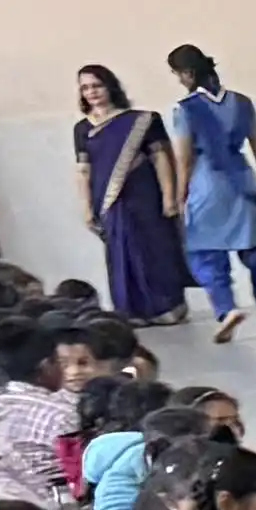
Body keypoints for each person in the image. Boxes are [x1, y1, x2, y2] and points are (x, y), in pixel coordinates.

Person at [165, 44, 256, 338]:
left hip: (208, 184)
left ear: (187, 73)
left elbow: (184, 158)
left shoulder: (185, 108)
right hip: (244, 181)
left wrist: (180, 198)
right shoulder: (242, 102)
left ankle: (226, 308)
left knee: (205, 253)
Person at [71, 68, 180, 323]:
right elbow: (83, 170)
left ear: (110, 86)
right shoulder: (82, 129)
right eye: (85, 88)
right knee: (121, 253)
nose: (91, 92)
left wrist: (169, 196)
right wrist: (86, 208)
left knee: (154, 248)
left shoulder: (141, 120)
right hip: (108, 200)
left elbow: (160, 157)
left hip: (143, 193)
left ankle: (166, 307)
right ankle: (131, 311)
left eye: (97, 85)